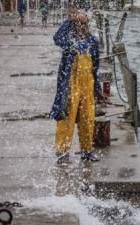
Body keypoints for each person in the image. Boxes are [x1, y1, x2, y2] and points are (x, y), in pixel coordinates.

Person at [50, 2, 103, 165]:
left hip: (88, 84)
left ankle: (87, 151)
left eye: (83, 21)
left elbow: (95, 66)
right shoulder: (68, 40)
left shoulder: (93, 42)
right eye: (78, 22)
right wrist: (70, 20)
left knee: (88, 118)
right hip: (70, 84)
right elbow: (56, 38)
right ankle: (62, 153)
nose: (81, 24)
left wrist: (97, 87)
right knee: (67, 117)